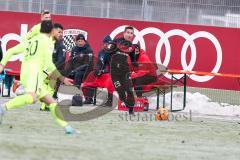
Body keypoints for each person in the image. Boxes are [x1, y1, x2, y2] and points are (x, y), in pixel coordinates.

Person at [0, 20, 75, 134]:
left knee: (51, 102)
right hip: (34, 74)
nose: (58, 33)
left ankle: (67, 128)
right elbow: (48, 63)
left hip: (28, 74)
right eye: (57, 31)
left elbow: (11, 51)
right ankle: (3, 107)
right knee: (32, 98)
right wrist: (62, 78)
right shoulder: (48, 42)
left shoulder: (31, 41)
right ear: (51, 31)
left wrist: (2, 64)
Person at [110, 26, 137, 115]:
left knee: (129, 90)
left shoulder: (132, 47)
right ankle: (125, 102)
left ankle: (131, 109)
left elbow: (133, 60)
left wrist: (134, 68)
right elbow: (106, 52)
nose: (129, 35)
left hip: (125, 71)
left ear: (133, 35)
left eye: (131, 33)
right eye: (128, 32)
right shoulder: (116, 41)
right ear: (124, 33)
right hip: (114, 72)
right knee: (120, 91)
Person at [40, 23, 66, 111]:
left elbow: (61, 60)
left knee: (50, 87)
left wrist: (51, 70)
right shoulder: (46, 43)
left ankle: (46, 106)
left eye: (62, 33)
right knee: (42, 88)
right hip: (43, 70)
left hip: (54, 71)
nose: (61, 34)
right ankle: (45, 105)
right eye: (59, 32)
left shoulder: (61, 46)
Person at [82, 35, 115, 105]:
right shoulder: (101, 52)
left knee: (110, 81)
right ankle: (88, 99)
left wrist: (103, 71)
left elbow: (112, 68)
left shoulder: (113, 53)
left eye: (109, 44)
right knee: (87, 80)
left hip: (109, 74)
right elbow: (99, 64)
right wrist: (97, 70)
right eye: (106, 43)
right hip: (101, 74)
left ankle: (109, 101)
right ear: (103, 44)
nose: (107, 45)